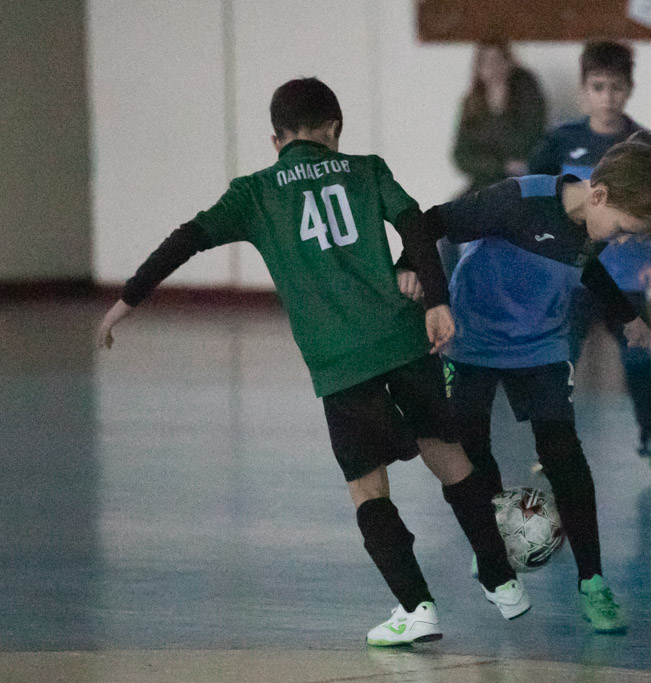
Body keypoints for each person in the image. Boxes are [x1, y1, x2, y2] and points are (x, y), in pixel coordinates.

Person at [94, 77, 531, 648]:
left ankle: (416, 607)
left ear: (276, 140)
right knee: (449, 456)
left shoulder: (255, 192)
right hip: (403, 338)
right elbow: (416, 225)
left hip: (339, 361)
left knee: (367, 488)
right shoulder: (366, 169)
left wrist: (125, 302)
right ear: (335, 130)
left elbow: (186, 239)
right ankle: (503, 582)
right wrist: (437, 299)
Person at [397, 136, 651, 633]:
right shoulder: (517, 200)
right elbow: (428, 222)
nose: (621, 242)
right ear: (598, 196)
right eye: (623, 230)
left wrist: (625, 314)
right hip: (473, 339)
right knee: (470, 446)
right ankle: (492, 544)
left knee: (562, 449)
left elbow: (585, 265)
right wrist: (413, 271)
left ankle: (593, 582)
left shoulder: (594, 225)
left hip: (542, 344)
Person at [528, 39, 651, 477]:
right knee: (561, 361)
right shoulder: (560, 142)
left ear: (629, 89)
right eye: (598, 87)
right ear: (583, 90)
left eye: (616, 87)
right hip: (573, 276)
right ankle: (554, 444)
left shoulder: (643, 144)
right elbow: (535, 198)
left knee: (638, 359)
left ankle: (650, 437)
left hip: (625, 278)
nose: (607, 97)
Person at [453, 40, 546, 194]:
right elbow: (461, 156)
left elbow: (525, 144)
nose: (493, 68)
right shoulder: (473, 104)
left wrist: (500, 110)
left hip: (520, 184)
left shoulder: (527, 97)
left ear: (509, 64)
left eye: (497, 61)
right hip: (483, 183)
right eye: (486, 63)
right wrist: (501, 165)